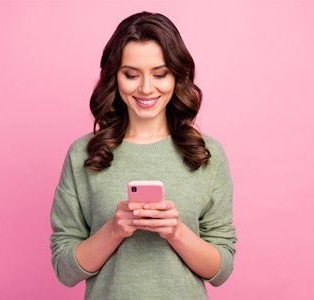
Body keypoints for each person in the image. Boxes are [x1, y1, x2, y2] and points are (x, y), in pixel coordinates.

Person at [48, 11, 237, 299]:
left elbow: (221, 271)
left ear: (177, 75)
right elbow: (65, 270)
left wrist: (175, 231)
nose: (146, 88)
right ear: (115, 76)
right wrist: (114, 229)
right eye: (131, 74)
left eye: (160, 74)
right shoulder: (83, 154)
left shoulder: (207, 154)